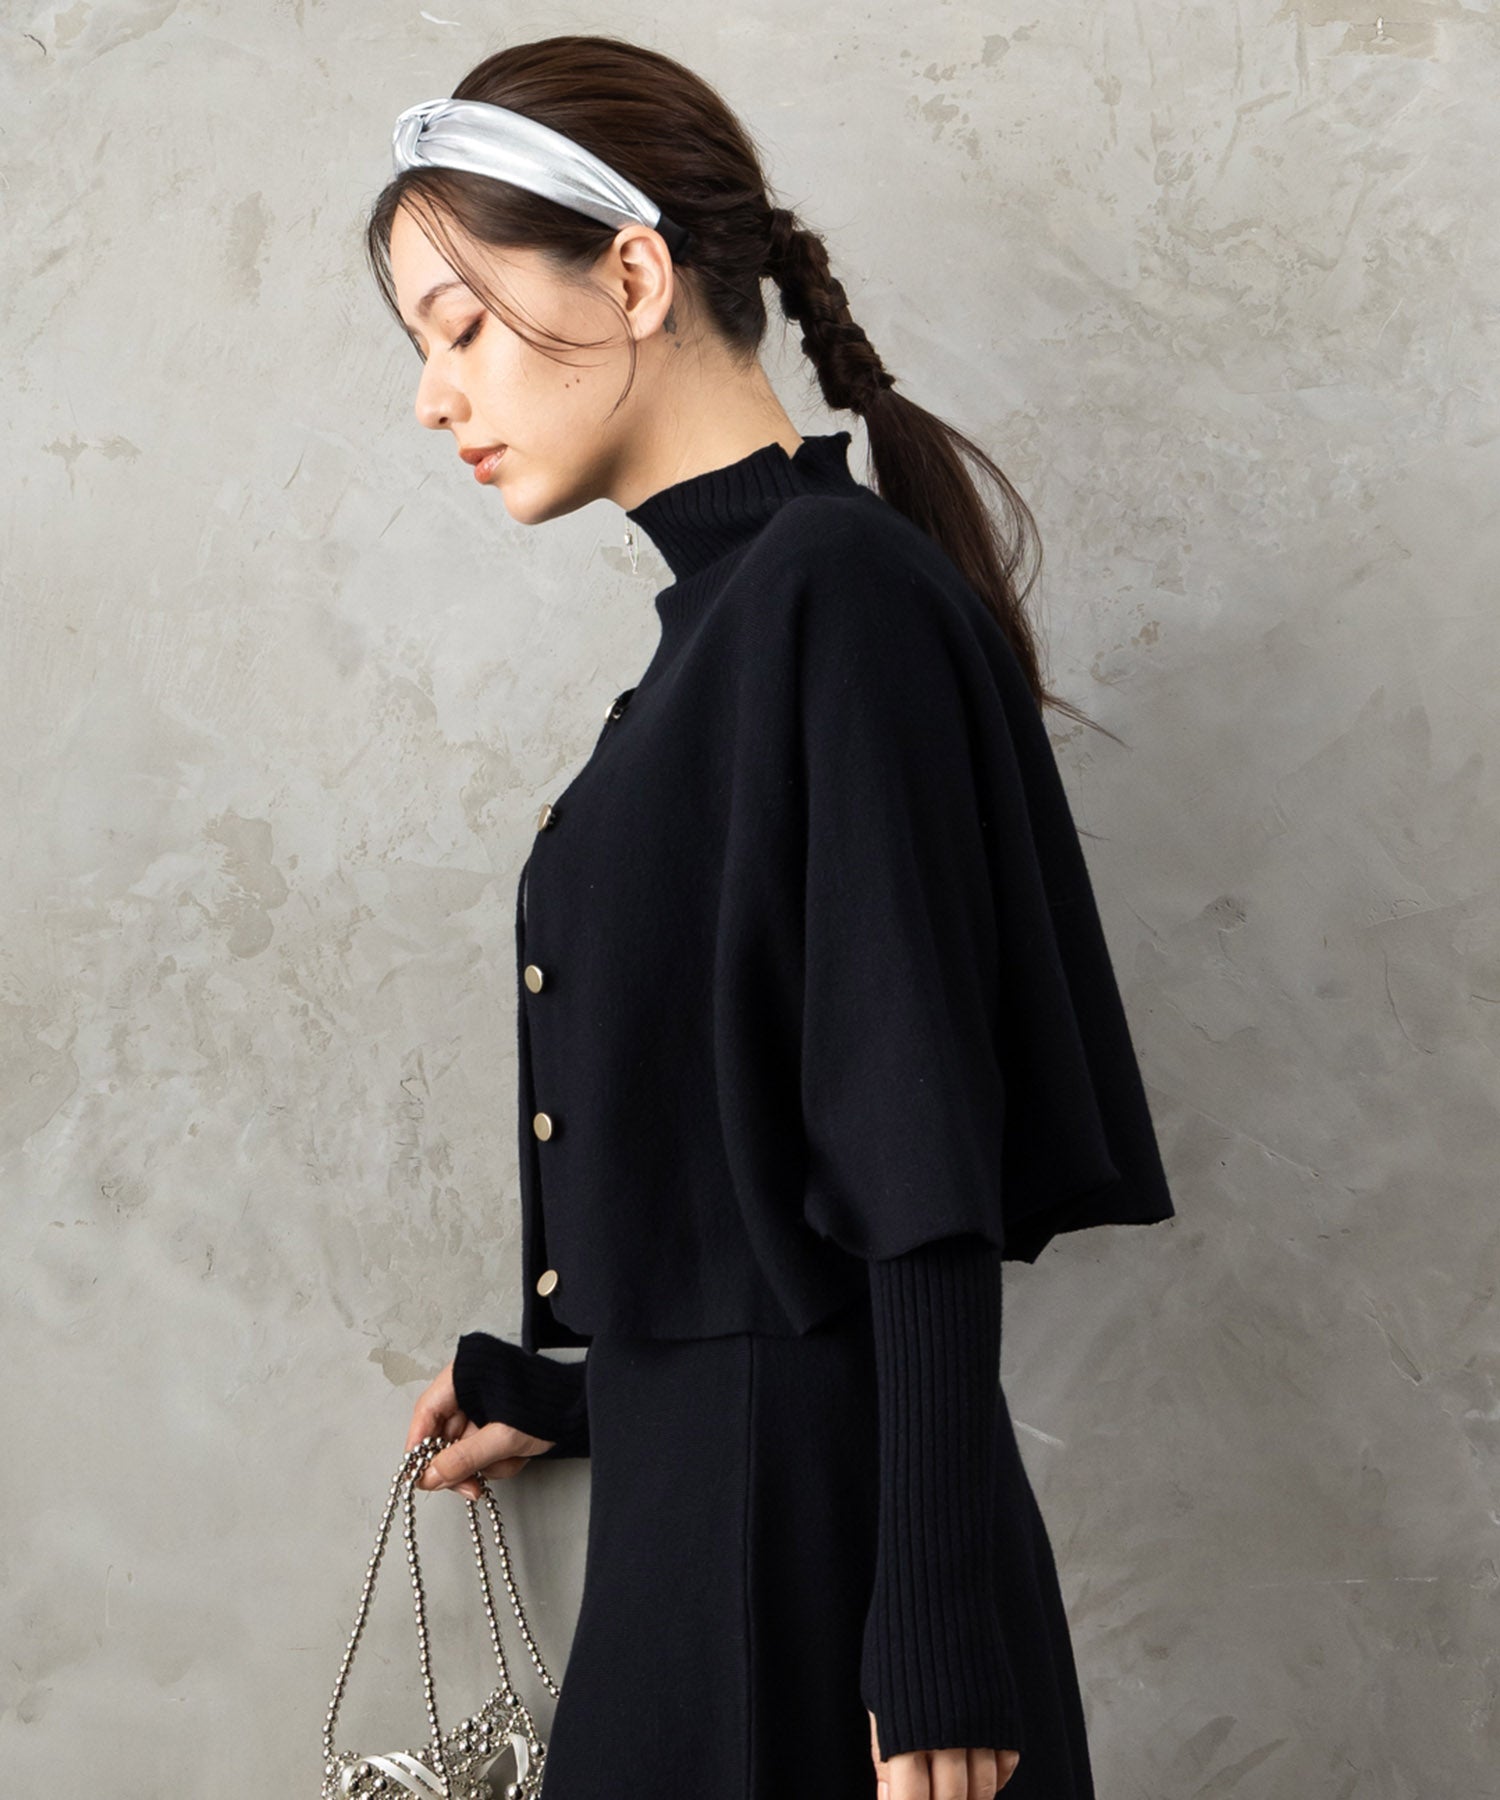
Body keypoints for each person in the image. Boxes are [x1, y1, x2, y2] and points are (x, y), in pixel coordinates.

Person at [366, 34, 1175, 1800]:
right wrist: (584, 1394)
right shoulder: (731, 627)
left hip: (827, 1579)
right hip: (717, 1529)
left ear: (632, 276)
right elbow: (774, 1197)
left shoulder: (831, 597)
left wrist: (936, 1624)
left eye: (461, 327)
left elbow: (912, 1145)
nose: (435, 396)